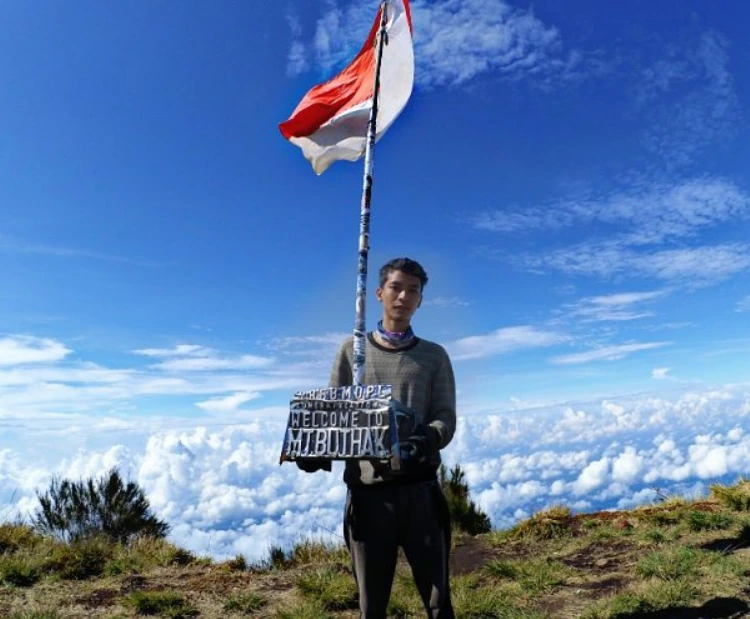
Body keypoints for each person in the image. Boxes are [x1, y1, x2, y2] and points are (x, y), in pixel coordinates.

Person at [299, 257, 456, 619]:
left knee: (438, 601)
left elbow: (446, 417)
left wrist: (428, 440)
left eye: (413, 290)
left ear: (420, 300)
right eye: (396, 287)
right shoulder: (351, 351)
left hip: (421, 492)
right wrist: (316, 451)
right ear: (379, 293)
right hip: (368, 495)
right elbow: (334, 417)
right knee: (371, 606)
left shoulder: (434, 356)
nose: (403, 296)